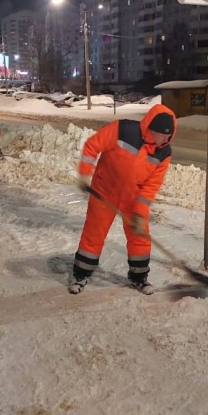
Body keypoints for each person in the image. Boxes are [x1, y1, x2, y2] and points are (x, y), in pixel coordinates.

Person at [70, 104, 177, 295]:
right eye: (159, 134)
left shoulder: (164, 153)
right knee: (93, 234)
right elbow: (93, 145)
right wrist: (85, 174)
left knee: (140, 237)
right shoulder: (124, 130)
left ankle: (139, 278)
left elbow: (151, 185)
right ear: (149, 128)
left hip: (133, 198)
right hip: (104, 192)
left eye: (167, 137)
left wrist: (139, 211)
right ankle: (81, 274)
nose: (162, 139)